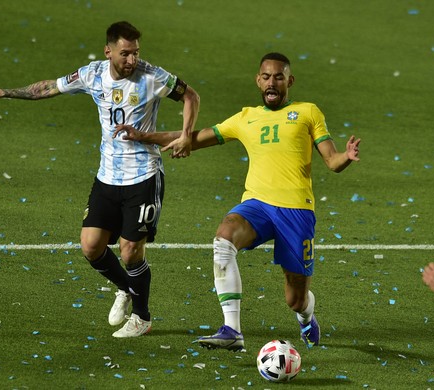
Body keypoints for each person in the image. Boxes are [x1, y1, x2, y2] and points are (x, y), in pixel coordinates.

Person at [0, 21, 200, 337]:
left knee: (131, 250)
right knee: (91, 247)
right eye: (125, 53)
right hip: (107, 177)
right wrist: (4, 92)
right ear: (109, 51)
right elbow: (49, 87)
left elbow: (191, 97)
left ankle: (142, 317)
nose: (132, 60)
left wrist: (186, 135)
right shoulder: (92, 74)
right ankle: (125, 288)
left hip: (143, 175)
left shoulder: (154, 76)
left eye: (135, 53)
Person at [114, 52, 360, 350]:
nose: (272, 82)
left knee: (294, 299)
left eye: (279, 77)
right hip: (257, 205)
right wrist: (143, 136)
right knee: (224, 237)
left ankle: (307, 316)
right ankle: (232, 331)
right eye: (266, 77)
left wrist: (346, 156)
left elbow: (332, 161)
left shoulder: (308, 112)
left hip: (297, 211)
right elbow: (196, 137)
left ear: (289, 81)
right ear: (258, 80)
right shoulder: (246, 118)